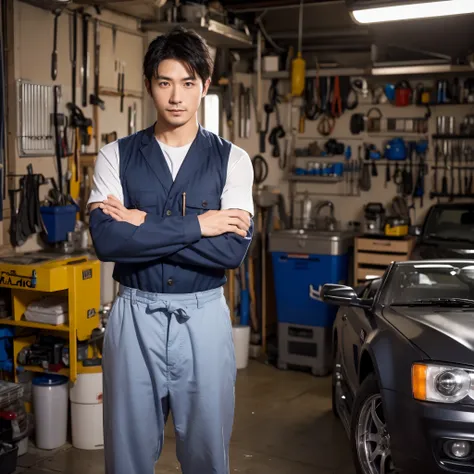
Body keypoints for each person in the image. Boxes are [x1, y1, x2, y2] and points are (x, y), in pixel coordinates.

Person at [87, 26, 254, 474]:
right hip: (133, 316)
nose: (176, 96)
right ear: (149, 86)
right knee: (126, 456)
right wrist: (202, 225)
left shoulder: (233, 161)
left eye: (187, 82)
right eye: (165, 82)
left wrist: (142, 223)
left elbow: (231, 253)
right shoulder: (114, 157)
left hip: (203, 316)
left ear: (204, 85)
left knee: (206, 455)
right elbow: (107, 240)